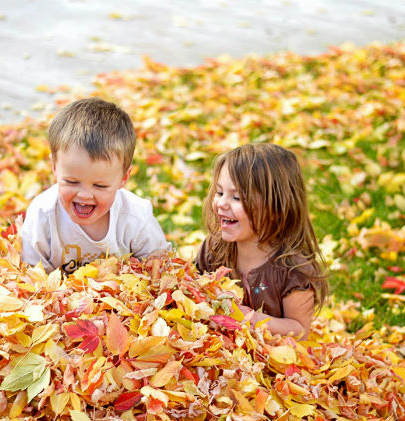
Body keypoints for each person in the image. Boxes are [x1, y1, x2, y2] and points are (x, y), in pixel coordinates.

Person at [21, 97, 168, 274]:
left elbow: (160, 264)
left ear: (123, 178)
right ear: (54, 167)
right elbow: (31, 277)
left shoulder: (136, 217)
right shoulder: (43, 214)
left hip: (122, 298)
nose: (84, 195)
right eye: (72, 182)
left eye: (100, 186)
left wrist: (155, 265)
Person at [196, 143, 328, 338]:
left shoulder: (293, 269)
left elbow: (300, 329)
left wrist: (248, 318)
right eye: (220, 192)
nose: (222, 203)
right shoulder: (214, 249)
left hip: (273, 361)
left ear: (276, 208)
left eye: (237, 197)